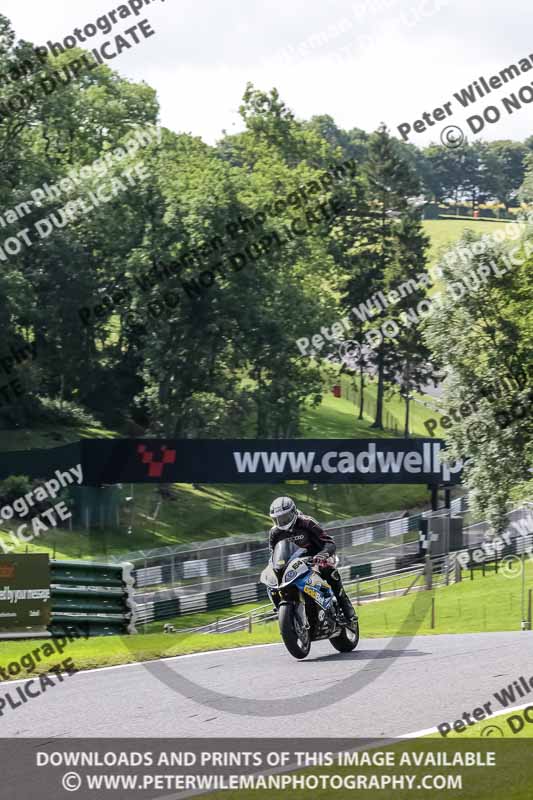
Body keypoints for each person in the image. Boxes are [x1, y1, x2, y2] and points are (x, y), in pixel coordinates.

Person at [268, 496, 357, 624]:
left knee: (330, 572)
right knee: (271, 584)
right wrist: (274, 566)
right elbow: (273, 554)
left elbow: (329, 542)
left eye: (284, 517)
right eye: (277, 519)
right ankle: (282, 610)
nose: (281, 522)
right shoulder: (274, 533)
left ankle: (346, 608)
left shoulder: (307, 522)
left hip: (315, 559)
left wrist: (322, 555)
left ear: (293, 512)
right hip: (292, 565)